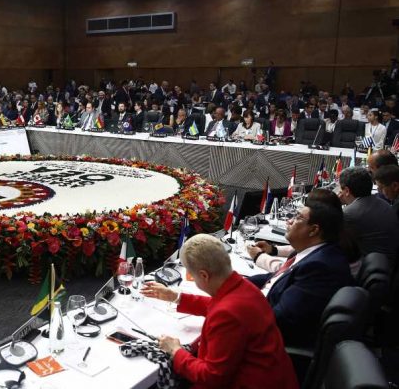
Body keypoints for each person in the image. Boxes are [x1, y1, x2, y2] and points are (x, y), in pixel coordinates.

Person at [141, 234, 298, 389]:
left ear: (203, 275)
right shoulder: (246, 288)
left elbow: (211, 377)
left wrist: (175, 351)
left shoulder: (227, 314)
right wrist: (176, 297)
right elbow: (220, 304)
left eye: (192, 275)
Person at [248, 200, 354, 347]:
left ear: (313, 230)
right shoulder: (313, 252)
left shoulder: (320, 267)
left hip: (268, 342)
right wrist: (232, 282)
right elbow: (274, 278)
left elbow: (280, 319)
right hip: (262, 311)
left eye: (297, 217)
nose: (289, 221)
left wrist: (237, 310)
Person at [338, 167, 399, 267]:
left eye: (341, 189)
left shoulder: (348, 214)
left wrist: (335, 203)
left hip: (373, 272)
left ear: (347, 191)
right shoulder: (384, 204)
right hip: (388, 266)